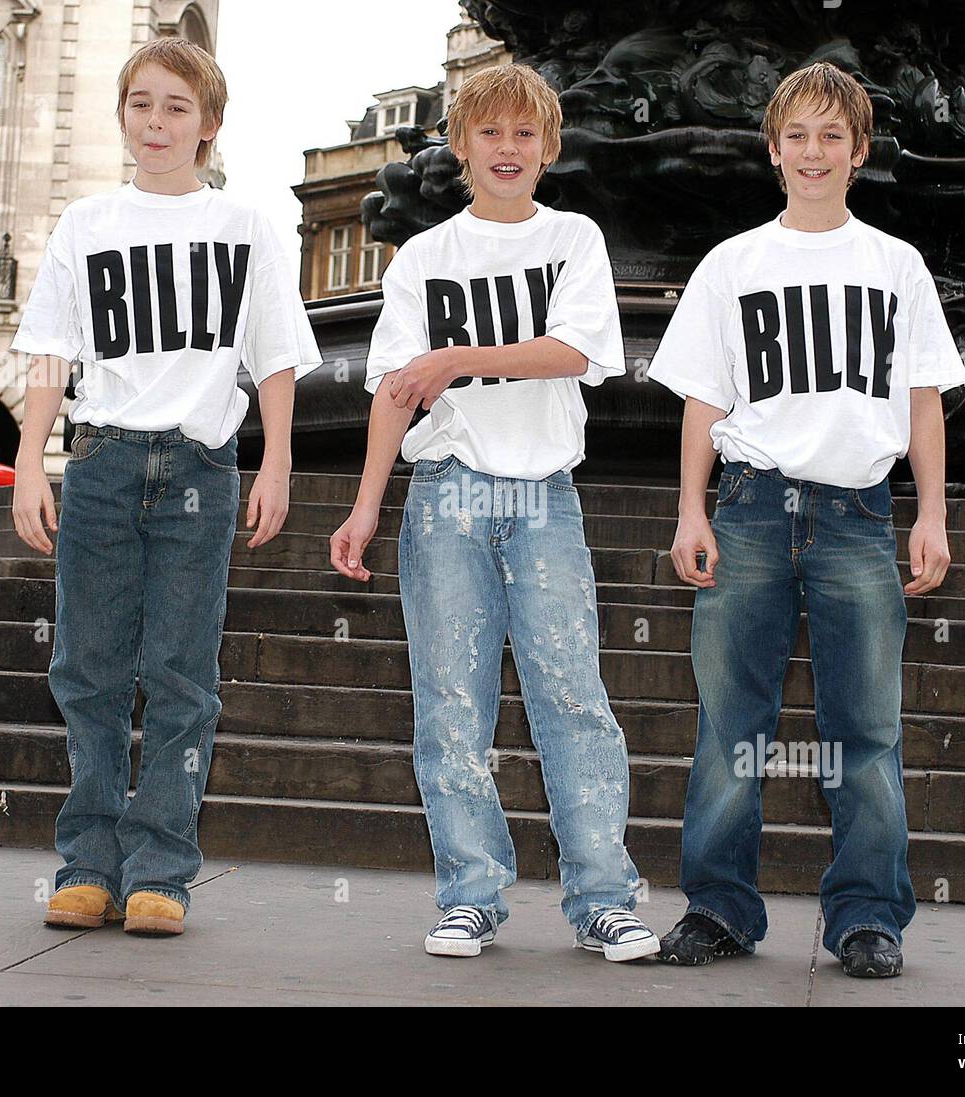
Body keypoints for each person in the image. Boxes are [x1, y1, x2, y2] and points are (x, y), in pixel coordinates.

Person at [647, 61, 965, 977]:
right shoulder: (732, 263)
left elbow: (923, 402)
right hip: (750, 507)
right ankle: (718, 906)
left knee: (865, 729)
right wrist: (689, 509)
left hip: (860, 514)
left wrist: (933, 512)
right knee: (729, 723)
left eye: (833, 136)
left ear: (858, 152)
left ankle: (868, 916)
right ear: (773, 149)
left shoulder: (895, 265)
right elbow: (703, 400)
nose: (814, 151)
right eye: (798, 135)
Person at [329, 63, 658, 962]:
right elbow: (394, 394)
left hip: (544, 493)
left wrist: (455, 360)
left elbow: (577, 350)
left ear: (547, 148)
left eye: (524, 134)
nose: (507, 149)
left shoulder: (574, 238)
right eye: (490, 133)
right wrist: (365, 507)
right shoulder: (425, 257)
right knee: (448, 704)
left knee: (573, 697)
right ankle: (470, 891)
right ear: (461, 146)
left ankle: (603, 899)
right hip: (445, 498)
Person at [10, 37, 321, 936]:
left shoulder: (246, 227)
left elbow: (275, 359)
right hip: (102, 461)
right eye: (142, 104)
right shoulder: (86, 223)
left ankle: (160, 869)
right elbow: (50, 354)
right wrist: (31, 460)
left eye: (177, 108)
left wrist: (280, 462)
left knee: (182, 676)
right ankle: (87, 862)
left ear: (209, 126)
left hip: (199, 467)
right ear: (123, 116)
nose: (157, 122)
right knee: (87, 670)